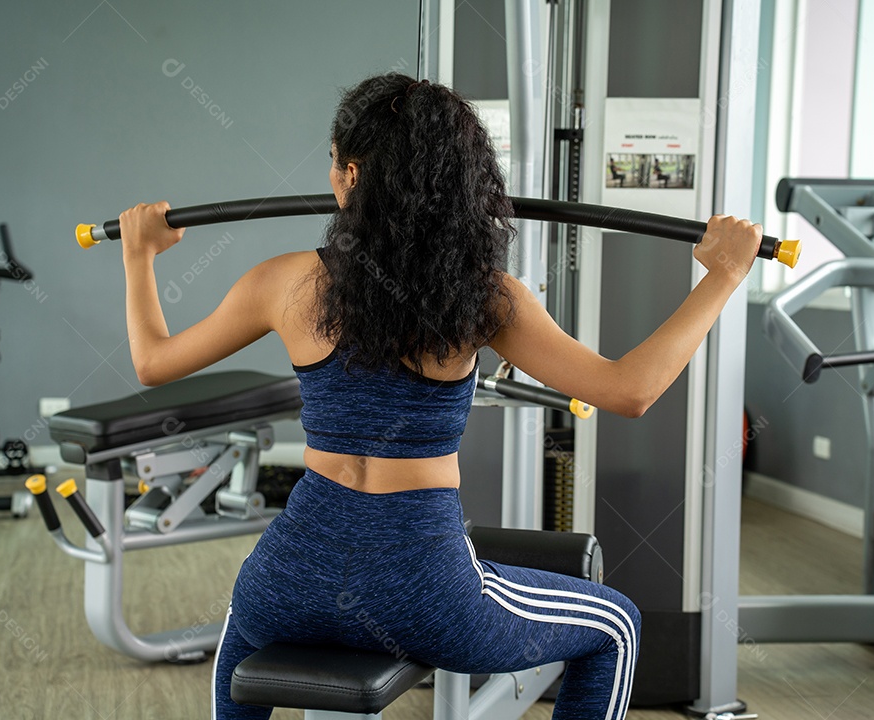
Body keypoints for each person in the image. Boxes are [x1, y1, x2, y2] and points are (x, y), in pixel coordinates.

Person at [118, 73, 761, 720]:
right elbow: (631, 391)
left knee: (242, 623)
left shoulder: (279, 282)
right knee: (616, 624)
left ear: (348, 176)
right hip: (419, 589)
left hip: (291, 575)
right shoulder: (487, 298)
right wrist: (725, 275)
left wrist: (139, 258)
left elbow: (153, 362)